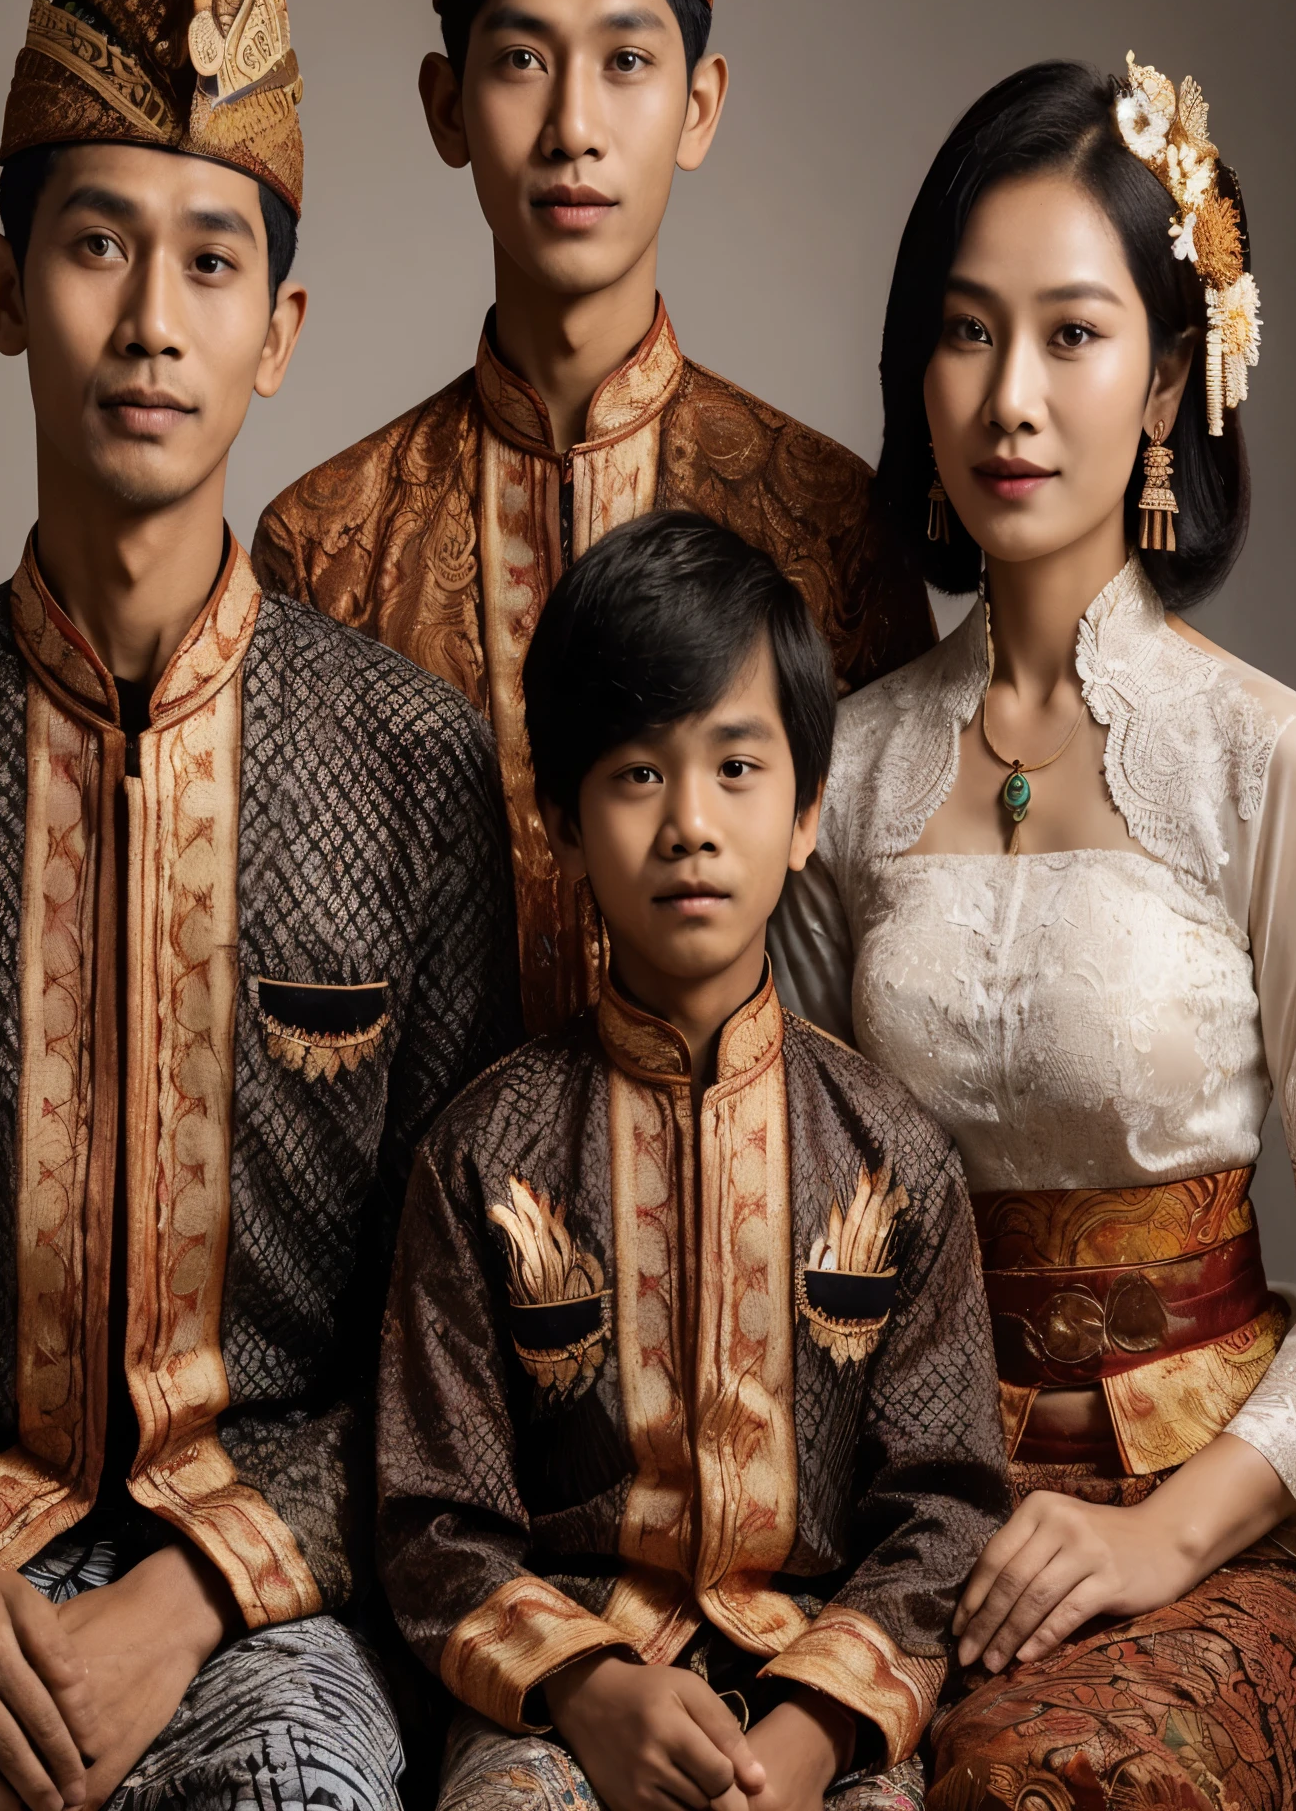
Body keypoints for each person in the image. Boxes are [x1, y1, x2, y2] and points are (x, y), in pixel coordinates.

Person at [0, 0, 518, 1811]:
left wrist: (203, 1590)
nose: (148, 320)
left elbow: (444, 1334)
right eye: (96, 243)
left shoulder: (407, 764)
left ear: (279, 332)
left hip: (276, 1595)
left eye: (211, 261)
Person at [770, 57, 1296, 1810]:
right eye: (964, 332)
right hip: (894, 1501)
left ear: (1170, 373)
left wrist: (1163, 1535)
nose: (1009, 398)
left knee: (1055, 1781)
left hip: (1211, 1521)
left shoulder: (1265, 760)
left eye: (1073, 334)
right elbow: (766, 1171)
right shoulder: (851, 766)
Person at [252, 0, 933, 1037]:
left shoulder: (832, 521)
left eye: (627, 59)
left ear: (700, 104)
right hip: (433, 1228)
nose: (574, 125)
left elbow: (892, 959)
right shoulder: (325, 544)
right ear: (448, 107)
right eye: (521, 60)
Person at [377, 513, 1009, 1811]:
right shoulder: (480, 1157)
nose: (689, 826)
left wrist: (814, 1731)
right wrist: (585, 1689)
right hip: (564, 1707)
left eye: (736, 767)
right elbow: (431, 1514)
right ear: (560, 817)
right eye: (634, 775)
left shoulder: (894, 1162)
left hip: (816, 1710)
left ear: (805, 814)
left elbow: (944, 1510)